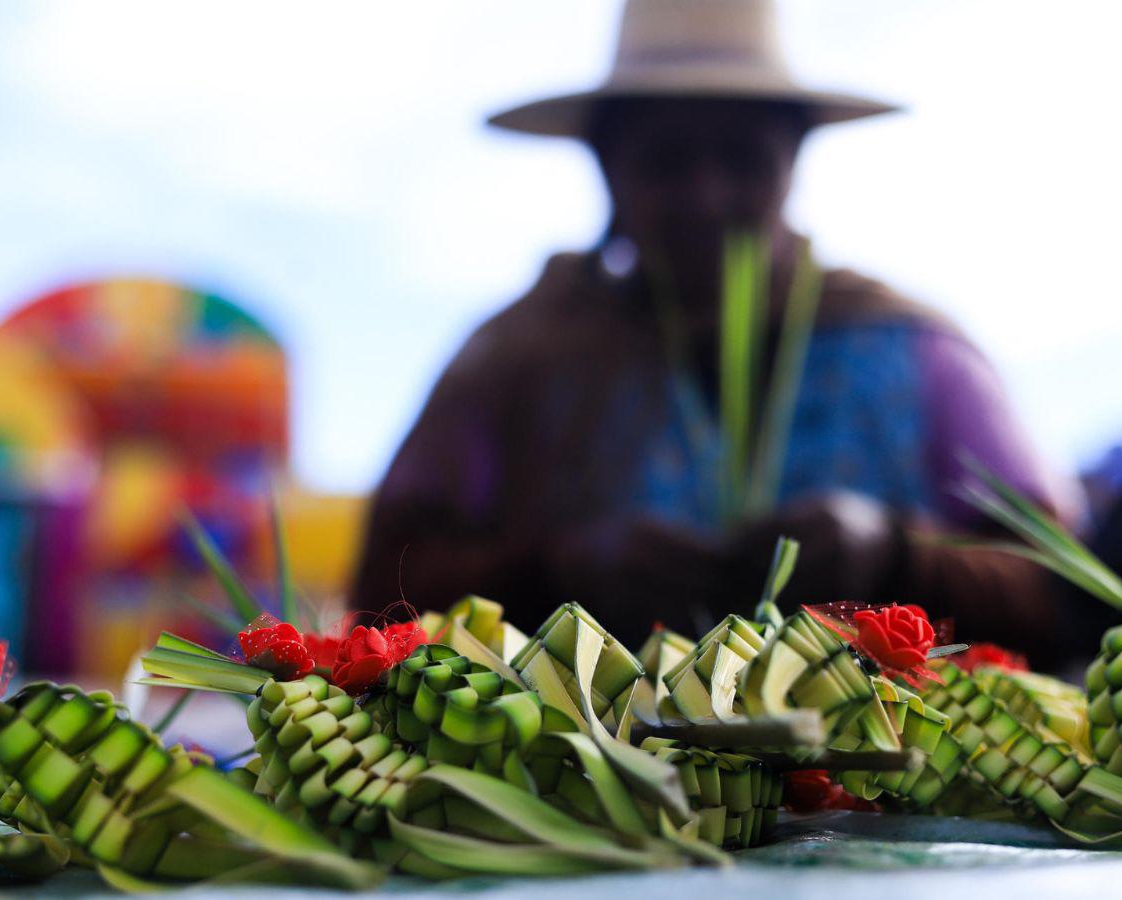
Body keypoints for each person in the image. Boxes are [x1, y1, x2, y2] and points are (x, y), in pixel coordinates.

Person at [353, 0, 1083, 666]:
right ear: (608, 165)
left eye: (742, 160)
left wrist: (893, 551)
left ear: (792, 160)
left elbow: (1064, 593)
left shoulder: (912, 347)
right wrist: (551, 568)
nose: (706, 198)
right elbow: (380, 589)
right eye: (666, 163)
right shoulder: (513, 359)